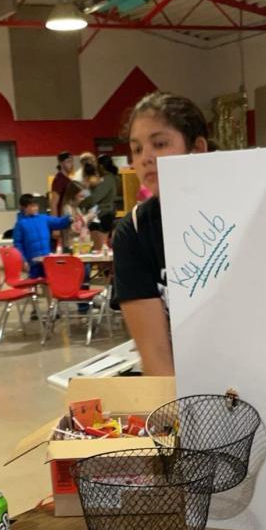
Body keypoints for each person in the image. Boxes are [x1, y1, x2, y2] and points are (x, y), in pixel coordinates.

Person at [112, 93, 209, 375]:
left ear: (197, 148)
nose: (145, 158)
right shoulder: (134, 233)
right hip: (186, 385)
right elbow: (155, 353)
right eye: (137, 149)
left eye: (160, 144)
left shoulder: (246, 208)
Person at [13, 195, 73, 278]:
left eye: (36, 205)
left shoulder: (43, 218)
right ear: (24, 207)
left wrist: (68, 219)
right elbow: (18, 245)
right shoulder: (20, 224)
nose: (36, 208)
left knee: (50, 280)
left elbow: (58, 222)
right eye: (32, 206)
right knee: (35, 282)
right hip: (33, 263)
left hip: (46, 260)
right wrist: (24, 261)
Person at [88, 155, 119, 252]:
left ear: (101, 166)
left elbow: (95, 197)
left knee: (99, 250)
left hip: (102, 215)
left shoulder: (107, 179)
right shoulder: (111, 178)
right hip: (104, 214)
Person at [50, 151, 75, 218]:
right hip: (62, 218)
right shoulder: (59, 180)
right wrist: (55, 222)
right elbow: (53, 204)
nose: (71, 164)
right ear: (61, 163)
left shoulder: (68, 180)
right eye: (68, 162)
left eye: (72, 161)